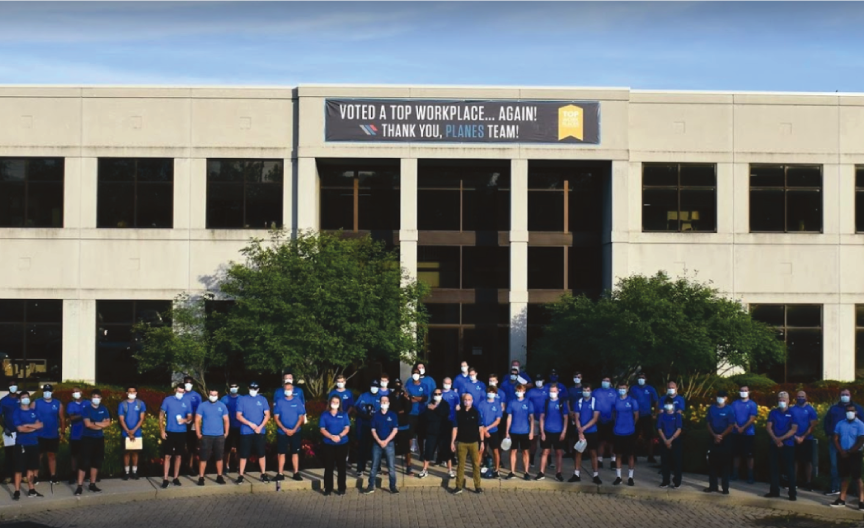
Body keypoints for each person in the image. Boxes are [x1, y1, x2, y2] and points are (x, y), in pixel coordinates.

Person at [824, 389, 864, 496]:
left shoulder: (858, 408)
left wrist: (857, 445)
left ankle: (856, 492)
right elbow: (827, 421)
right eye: (843, 394)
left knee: (855, 472)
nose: (845, 396)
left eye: (846, 394)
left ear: (850, 395)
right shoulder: (834, 409)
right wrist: (829, 434)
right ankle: (835, 488)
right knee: (836, 466)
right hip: (836, 443)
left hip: (853, 445)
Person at [76, 388, 110, 496]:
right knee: (84, 462)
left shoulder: (103, 408)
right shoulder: (86, 409)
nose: (96, 399)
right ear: (91, 398)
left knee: (96, 462)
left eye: (98, 397)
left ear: (101, 398)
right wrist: (100, 424)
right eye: (94, 397)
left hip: (99, 438)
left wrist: (94, 423)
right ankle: (79, 486)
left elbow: (108, 423)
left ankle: (92, 484)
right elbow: (87, 424)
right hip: (87, 438)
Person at [765, 391, 798, 501]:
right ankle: (774, 491)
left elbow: (793, 429)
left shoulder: (792, 413)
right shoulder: (773, 412)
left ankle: (792, 493)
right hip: (774, 444)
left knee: (789, 470)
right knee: (774, 468)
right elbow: (769, 427)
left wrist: (781, 439)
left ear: (788, 401)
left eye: (784, 400)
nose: (781, 402)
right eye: (780, 400)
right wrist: (775, 439)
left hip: (788, 445)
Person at [830, 405, 864, 509]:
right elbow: (835, 438)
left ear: (855, 412)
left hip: (855, 454)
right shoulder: (840, 423)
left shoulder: (860, 424)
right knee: (844, 477)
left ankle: (862, 501)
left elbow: (861, 440)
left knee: (857, 478)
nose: (850, 412)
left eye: (852, 411)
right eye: (848, 411)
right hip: (842, 453)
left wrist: (850, 451)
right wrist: (841, 451)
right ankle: (842, 499)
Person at [236, 381, 270, 484]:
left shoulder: (262, 399)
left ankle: (263, 474)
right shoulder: (242, 399)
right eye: (251, 388)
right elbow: (238, 415)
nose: (253, 391)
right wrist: (250, 424)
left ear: (258, 389)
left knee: (261, 453)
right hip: (246, 431)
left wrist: (260, 427)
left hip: (260, 431)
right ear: (248, 388)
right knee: (243, 454)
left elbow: (267, 415)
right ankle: (241, 475)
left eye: (255, 389)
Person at [451, 392, 484, 494]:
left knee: (476, 465)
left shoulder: (476, 412)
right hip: (462, 443)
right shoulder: (459, 413)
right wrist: (452, 442)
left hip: (474, 442)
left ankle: (477, 486)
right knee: (461, 465)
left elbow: (481, 428)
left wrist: (482, 441)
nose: (467, 401)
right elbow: (455, 428)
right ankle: (458, 486)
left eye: (469, 400)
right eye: (465, 399)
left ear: (472, 401)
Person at [195, 388, 230, 485]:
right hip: (206, 435)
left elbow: (226, 420)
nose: (213, 396)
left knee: (219, 457)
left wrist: (226, 432)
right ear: (208, 394)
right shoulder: (202, 406)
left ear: (218, 395)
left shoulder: (222, 406)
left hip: (219, 436)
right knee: (203, 458)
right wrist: (198, 433)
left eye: (215, 395)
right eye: (211, 394)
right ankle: (201, 477)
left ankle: (219, 476)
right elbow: (197, 420)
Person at [365, 395, 399, 494]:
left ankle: (393, 487)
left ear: (389, 403)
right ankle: (370, 486)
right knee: (374, 466)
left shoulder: (393, 415)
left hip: (389, 443)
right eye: (382, 401)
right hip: (377, 444)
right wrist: (379, 441)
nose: (384, 403)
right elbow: (373, 430)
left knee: (391, 467)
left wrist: (386, 441)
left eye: (386, 401)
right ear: (379, 403)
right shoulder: (375, 415)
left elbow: (395, 430)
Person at [160, 383, 191, 488]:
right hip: (170, 431)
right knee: (167, 455)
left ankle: (175, 477)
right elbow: (161, 415)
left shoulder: (186, 401)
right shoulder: (168, 400)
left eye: (182, 392)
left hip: (181, 432)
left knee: (178, 455)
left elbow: (190, 416)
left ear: (184, 392)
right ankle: (165, 479)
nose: (180, 393)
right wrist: (162, 430)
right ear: (175, 390)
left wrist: (185, 420)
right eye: (178, 391)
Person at [12, 391, 42, 500]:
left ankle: (31, 489)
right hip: (22, 444)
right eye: (23, 397)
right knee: (19, 469)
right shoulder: (17, 412)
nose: (26, 399)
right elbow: (20, 429)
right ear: (19, 400)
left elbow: (40, 425)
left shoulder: (34, 411)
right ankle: (17, 491)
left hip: (34, 443)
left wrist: (28, 425)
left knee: (31, 468)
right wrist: (34, 427)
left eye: (27, 397)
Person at [274, 381, 306, 482]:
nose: (288, 391)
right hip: (282, 432)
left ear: (292, 390)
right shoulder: (279, 401)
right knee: (281, 452)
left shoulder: (297, 401)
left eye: (289, 389)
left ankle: (296, 473)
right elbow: (276, 417)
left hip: (295, 432)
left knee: (295, 452)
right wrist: (284, 429)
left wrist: (294, 429)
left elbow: (301, 417)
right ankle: (280, 473)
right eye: (286, 389)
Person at [704, 389, 734, 495]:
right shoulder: (712, 408)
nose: (720, 398)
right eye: (718, 396)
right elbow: (708, 423)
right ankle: (713, 486)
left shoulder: (729, 409)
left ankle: (725, 488)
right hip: (713, 438)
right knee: (712, 463)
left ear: (726, 398)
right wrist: (714, 435)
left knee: (725, 464)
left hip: (725, 439)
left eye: (722, 396)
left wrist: (721, 436)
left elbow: (731, 425)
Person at [320, 395, 351, 496]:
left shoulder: (344, 414)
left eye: (337, 402)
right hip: (328, 444)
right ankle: (328, 488)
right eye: (333, 402)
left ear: (339, 404)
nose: (335, 404)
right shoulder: (324, 415)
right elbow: (322, 429)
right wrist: (331, 437)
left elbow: (347, 428)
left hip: (342, 444)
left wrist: (339, 436)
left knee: (341, 467)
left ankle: (341, 488)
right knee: (328, 467)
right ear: (330, 402)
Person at [537, 383, 568, 482]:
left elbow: (566, 418)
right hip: (547, 431)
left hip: (558, 431)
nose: (552, 393)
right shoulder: (546, 402)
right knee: (545, 452)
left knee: (559, 452)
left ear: (558, 392)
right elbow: (541, 417)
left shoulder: (562, 403)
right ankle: (541, 472)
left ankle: (558, 473)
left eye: (554, 391)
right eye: (551, 391)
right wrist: (542, 432)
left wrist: (564, 432)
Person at [572, 383, 602, 484]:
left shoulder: (595, 402)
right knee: (578, 452)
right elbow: (576, 418)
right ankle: (576, 474)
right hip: (580, 432)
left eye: (588, 390)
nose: (586, 392)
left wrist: (584, 428)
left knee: (593, 453)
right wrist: (580, 431)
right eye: (584, 390)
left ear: (591, 391)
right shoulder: (578, 402)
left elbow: (595, 418)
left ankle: (595, 475)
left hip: (591, 431)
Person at [35, 383, 64, 484]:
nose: (47, 393)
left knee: (51, 455)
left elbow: (62, 418)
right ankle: (35, 476)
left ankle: (53, 476)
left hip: (52, 434)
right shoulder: (36, 403)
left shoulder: (58, 403)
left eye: (49, 391)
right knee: (38, 456)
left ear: (52, 392)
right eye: (45, 391)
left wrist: (62, 432)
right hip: (39, 434)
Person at [504, 383, 534, 480]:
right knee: (513, 451)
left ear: (524, 391)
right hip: (514, 431)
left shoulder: (528, 402)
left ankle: (526, 472)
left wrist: (531, 431)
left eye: (520, 391)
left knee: (525, 451)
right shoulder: (512, 402)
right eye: (517, 391)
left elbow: (531, 418)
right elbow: (509, 417)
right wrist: (507, 431)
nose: (519, 392)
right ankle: (512, 472)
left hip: (525, 431)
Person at [419, 387, 450, 478]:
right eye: (435, 394)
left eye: (439, 394)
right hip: (431, 432)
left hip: (442, 432)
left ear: (442, 395)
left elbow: (444, 414)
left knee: (446, 452)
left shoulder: (445, 404)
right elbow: (428, 417)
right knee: (428, 452)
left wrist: (435, 409)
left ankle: (450, 470)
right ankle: (424, 470)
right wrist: (437, 413)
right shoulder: (429, 404)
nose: (437, 395)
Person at [790, 390, 818, 491]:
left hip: (807, 439)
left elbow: (813, 425)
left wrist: (803, 437)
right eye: (799, 396)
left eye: (802, 396)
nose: (800, 398)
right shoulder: (792, 409)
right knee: (795, 461)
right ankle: (793, 481)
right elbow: (788, 424)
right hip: (794, 439)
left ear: (806, 397)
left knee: (808, 462)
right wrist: (795, 436)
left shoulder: (810, 409)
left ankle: (808, 482)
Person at [612, 382, 639, 486]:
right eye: (620, 388)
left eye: (623, 388)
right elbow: (614, 414)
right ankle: (618, 477)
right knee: (618, 454)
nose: (622, 390)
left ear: (627, 389)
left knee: (630, 455)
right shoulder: (616, 400)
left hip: (629, 432)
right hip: (618, 431)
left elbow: (636, 415)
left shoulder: (632, 401)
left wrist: (631, 424)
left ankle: (630, 477)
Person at [731, 384, 758, 484]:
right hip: (735, 432)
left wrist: (743, 428)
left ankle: (750, 476)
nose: (743, 392)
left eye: (745, 390)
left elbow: (752, 418)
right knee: (736, 454)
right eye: (742, 390)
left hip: (748, 433)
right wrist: (737, 427)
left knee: (749, 456)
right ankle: (735, 474)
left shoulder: (752, 404)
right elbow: (732, 417)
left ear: (749, 392)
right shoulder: (734, 404)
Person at [354, 379, 382, 476]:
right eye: (373, 386)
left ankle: (377, 468)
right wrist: (363, 415)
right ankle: (360, 468)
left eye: (376, 386)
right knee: (363, 448)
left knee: (376, 448)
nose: (374, 388)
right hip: (364, 425)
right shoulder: (363, 396)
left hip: (376, 426)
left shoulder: (381, 397)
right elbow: (355, 408)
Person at [118, 385, 145, 480]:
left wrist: (133, 430)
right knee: (126, 453)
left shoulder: (140, 404)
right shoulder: (122, 404)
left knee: (135, 453)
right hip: (125, 433)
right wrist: (128, 431)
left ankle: (134, 472)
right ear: (127, 393)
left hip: (137, 433)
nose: (132, 393)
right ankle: (126, 472)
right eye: (130, 391)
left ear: (136, 393)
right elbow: (121, 419)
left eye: (133, 391)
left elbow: (141, 419)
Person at [630, 373, 659, 463]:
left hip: (647, 415)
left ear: (646, 379)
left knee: (649, 436)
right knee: (633, 436)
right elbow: (629, 400)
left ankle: (650, 455)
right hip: (635, 416)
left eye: (642, 378)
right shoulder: (633, 389)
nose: (641, 379)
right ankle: (633, 455)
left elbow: (656, 402)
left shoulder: (650, 389)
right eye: (639, 377)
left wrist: (655, 414)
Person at [476, 385, 503, 478]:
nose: (491, 394)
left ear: (495, 394)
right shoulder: (481, 404)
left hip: (493, 431)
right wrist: (483, 430)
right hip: (482, 431)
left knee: (495, 451)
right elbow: (479, 418)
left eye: (492, 392)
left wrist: (487, 429)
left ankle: (497, 470)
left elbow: (498, 420)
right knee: (480, 450)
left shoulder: (497, 405)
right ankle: (476, 470)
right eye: (489, 392)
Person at [656, 396, 682, 488]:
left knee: (676, 462)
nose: (668, 406)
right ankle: (665, 481)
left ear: (673, 405)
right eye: (666, 404)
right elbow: (659, 429)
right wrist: (665, 440)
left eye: (669, 404)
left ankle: (677, 482)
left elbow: (679, 429)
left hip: (675, 441)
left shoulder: (677, 415)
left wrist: (670, 440)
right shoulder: (661, 415)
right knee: (665, 462)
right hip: (664, 441)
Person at [406, 366, 429, 468]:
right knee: (410, 435)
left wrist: (414, 397)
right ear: (412, 374)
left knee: (421, 435)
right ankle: (408, 454)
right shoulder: (409, 385)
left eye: (417, 373)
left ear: (420, 375)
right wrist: (418, 398)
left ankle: (421, 453)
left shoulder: (424, 385)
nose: (416, 375)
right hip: (411, 413)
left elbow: (425, 398)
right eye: (414, 373)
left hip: (421, 413)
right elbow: (408, 398)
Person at [594, 376, 617, 469]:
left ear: (610, 382)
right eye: (604, 380)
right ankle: (599, 460)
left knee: (612, 442)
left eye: (607, 381)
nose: (605, 382)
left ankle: (613, 460)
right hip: (599, 420)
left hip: (611, 420)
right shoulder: (596, 392)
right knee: (601, 441)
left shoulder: (614, 392)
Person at [438, 377, 459, 476]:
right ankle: (441, 458)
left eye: (449, 383)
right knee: (442, 440)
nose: (447, 384)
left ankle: (451, 458)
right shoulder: (439, 393)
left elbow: (457, 406)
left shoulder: (454, 394)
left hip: (452, 419)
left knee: (452, 440)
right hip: (442, 420)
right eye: (445, 383)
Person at [526, 373, 548, 467]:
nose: (538, 382)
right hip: (534, 419)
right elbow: (526, 403)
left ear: (543, 381)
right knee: (533, 441)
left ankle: (549, 461)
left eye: (540, 380)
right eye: (536, 380)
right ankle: (531, 460)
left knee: (546, 441)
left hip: (546, 419)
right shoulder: (531, 392)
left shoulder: (547, 390)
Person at [182, 376, 203, 476]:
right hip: (182, 422)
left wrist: (195, 422)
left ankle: (190, 466)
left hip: (193, 422)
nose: (188, 384)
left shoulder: (197, 396)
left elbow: (199, 411)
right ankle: (181, 465)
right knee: (181, 445)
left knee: (192, 446)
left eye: (190, 383)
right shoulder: (180, 394)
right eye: (186, 382)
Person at [65, 387, 86, 484]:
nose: (75, 393)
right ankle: (73, 473)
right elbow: (72, 417)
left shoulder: (87, 403)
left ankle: (85, 473)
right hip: (75, 434)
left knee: (85, 455)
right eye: (74, 392)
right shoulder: (71, 405)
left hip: (86, 434)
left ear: (81, 392)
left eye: (77, 391)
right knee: (74, 455)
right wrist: (83, 415)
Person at [220, 382, 241, 474]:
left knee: (240, 448)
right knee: (227, 448)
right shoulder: (224, 399)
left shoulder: (242, 399)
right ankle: (226, 466)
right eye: (232, 387)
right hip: (228, 427)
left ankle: (239, 466)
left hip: (240, 427)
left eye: (235, 386)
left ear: (238, 387)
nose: (233, 388)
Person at [0, 381, 19, 484]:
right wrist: (5, 427)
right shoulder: (4, 401)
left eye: (14, 385)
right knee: (9, 454)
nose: (13, 387)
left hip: (21, 431)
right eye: (11, 385)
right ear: (8, 387)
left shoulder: (20, 399)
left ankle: (22, 475)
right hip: (9, 432)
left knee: (21, 454)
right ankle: (8, 475)